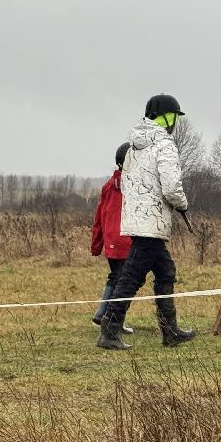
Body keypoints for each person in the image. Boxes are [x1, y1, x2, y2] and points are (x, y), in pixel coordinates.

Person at [95, 94, 196, 350]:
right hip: (151, 223)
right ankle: (109, 330)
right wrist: (182, 204)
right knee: (131, 278)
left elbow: (130, 184)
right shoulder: (165, 145)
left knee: (165, 271)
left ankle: (170, 330)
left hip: (137, 220)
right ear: (166, 117)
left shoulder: (133, 147)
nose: (175, 122)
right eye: (174, 117)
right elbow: (172, 187)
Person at [89, 142, 134, 335]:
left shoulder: (108, 185)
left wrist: (97, 244)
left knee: (116, 278)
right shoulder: (128, 186)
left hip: (112, 241)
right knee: (124, 281)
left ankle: (106, 315)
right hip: (125, 240)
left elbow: (99, 217)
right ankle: (107, 317)